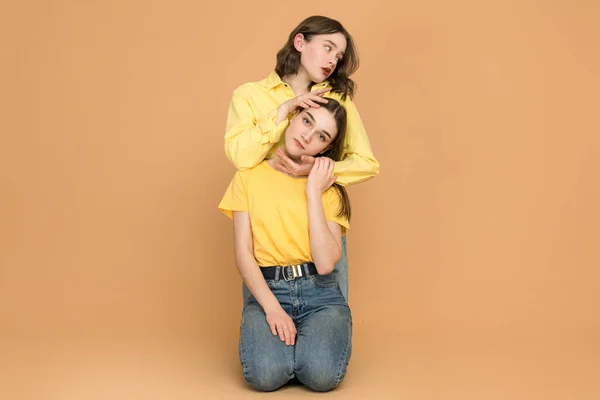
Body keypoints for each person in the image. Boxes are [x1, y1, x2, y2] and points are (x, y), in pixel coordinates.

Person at [224, 15, 379, 301]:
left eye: (339, 55)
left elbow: (367, 164)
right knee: (268, 330)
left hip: (321, 228)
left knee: (330, 325)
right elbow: (240, 157)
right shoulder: (249, 95)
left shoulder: (338, 100)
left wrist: (314, 170)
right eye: (328, 48)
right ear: (300, 42)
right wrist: (283, 112)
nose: (333, 60)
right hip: (268, 235)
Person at [219, 99, 352, 391]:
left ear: (324, 150)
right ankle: (291, 350)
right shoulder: (247, 177)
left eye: (321, 136)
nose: (308, 136)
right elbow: (243, 255)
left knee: (320, 376)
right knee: (265, 377)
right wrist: (272, 309)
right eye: (307, 121)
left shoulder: (328, 190)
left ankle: (305, 348)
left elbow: (327, 263)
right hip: (269, 291)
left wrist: (313, 191)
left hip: (320, 294)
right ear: (292, 117)